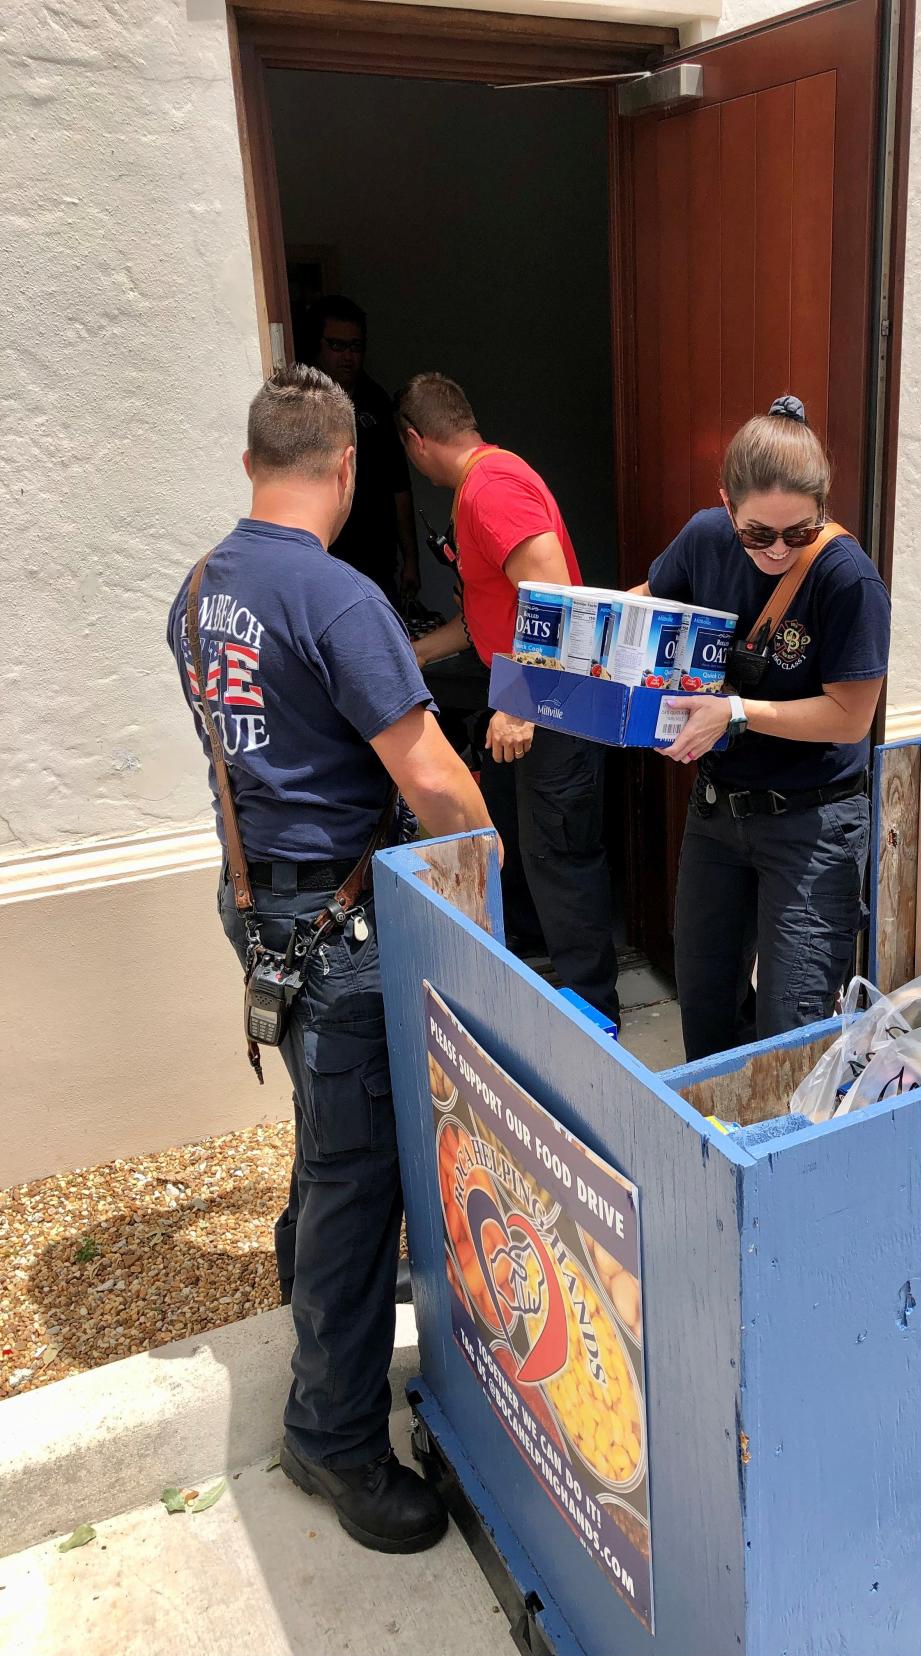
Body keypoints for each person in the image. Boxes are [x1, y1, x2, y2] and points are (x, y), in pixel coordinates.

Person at [167, 364, 495, 1553]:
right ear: (348, 467)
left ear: (253, 462)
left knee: (327, 1126)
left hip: (257, 908)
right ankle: (333, 1434)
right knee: (366, 1185)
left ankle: (306, 1274)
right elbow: (428, 775)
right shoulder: (340, 599)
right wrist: (488, 865)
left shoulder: (198, 593)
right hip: (338, 927)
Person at [641, 395, 891, 1062]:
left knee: (793, 1029)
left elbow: (851, 716)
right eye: (758, 534)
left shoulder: (847, 580)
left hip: (813, 825)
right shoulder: (702, 538)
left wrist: (740, 711)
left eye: (797, 533)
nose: (778, 550)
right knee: (706, 1005)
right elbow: (649, 602)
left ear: (823, 510)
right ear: (727, 506)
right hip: (718, 814)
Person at [396, 372, 620, 1023]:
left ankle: (592, 1013)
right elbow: (489, 611)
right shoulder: (484, 485)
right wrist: (412, 655)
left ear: (415, 440)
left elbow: (552, 589)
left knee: (561, 855)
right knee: (514, 839)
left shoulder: (489, 490)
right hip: (526, 697)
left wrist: (521, 702)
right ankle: (536, 970)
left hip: (553, 703)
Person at [304, 295, 420, 607]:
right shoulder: (302, 401)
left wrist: (411, 558)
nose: (347, 356)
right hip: (323, 557)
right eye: (336, 345)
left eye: (355, 346)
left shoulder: (377, 403)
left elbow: (400, 486)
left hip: (377, 562)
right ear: (318, 345)